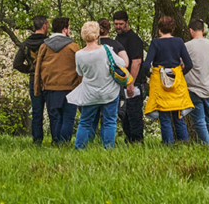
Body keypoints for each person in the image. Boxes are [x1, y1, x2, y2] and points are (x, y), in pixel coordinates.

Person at [67, 21, 127, 149]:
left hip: (90, 93)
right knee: (110, 121)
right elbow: (122, 63)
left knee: (85, 122)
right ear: (97, 34)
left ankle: (80, 147)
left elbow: (79, 72)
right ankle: (108, 148)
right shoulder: (106, 50)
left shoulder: (79, 54)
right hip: (109, 92)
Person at [143, 15, 194, 145]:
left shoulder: (155, 43)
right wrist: (179, 74)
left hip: (160, 84)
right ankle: (184, 145)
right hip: (176, 83)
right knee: (179, 117)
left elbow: (145, 65)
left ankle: (168, 146)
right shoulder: (179, 42)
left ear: (159, 29)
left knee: (165, 118)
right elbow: (188, 64)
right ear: (173, 28)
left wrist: (151, 75)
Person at [34, 17, 80, 144]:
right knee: (68, 118)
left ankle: (56, 141)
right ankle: (64, 142)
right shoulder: (73, 47)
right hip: (70, 87)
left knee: (54, 117)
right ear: (65, 29)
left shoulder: (44, 46)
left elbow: (38, 69)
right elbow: (80, 68)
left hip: (50, 87)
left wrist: (37, 88)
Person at [13, 15, 50, 144]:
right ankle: (57, 139)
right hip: (48, 79)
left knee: (36, 111)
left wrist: (30, 70)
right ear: (44, 26)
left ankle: (37, 140)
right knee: (52, 111)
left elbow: (17, 64)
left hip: (33, 80)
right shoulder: (48, 43)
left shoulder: (26, 44)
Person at [184, 18, 209, 145]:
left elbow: (182, 66)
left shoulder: (187, 46)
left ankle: (208, 146)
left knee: (199, 120)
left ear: (191, 31)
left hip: (194, 88)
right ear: (203, 30)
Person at [113, 9, 145, 143]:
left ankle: (137, 140)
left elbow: (136, 62)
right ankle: (129, 138)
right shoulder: (117, 38)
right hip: (122, 82)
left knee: (134, 113)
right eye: (116, 24)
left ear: (127, 22)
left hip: (134, 82)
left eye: (120, 24)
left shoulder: (134, 39)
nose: (118, 27)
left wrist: (130, 82)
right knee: (124, 114)